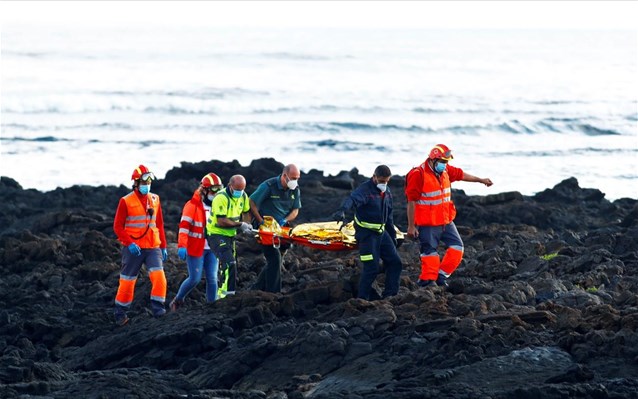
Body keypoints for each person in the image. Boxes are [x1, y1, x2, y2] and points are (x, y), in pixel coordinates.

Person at [405, 144, 493, 288]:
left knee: (457, 248)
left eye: (446, 162)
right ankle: (426, 282)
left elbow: (461, 174)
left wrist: (480, 180)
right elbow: (411, 201)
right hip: (428, 223)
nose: (445, 165)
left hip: (446, 221)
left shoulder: (445, 170)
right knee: (429, 253)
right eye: (442, 162)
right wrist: (411, 226)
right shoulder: (418, 174)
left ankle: (440, 276)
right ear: (433, 160)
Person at [332, 165, 403, 300]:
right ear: (374, 177)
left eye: (386, 181)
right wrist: (342, 210)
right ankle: (362, 299)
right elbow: (351, 199)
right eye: (381, 181)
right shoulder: (365, 190)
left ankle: (390, 295)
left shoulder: (387, 192)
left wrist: (392, 237)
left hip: (382, 234)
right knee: (371, 268)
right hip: (366, 236)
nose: (383, 184)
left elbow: (389, 217)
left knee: (395, 263)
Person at [112, 165, 168, 325]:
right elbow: (117, 226)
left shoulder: (155, 199)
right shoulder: (126, 201)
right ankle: (120, 313)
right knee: (127, 281)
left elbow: (160, 224)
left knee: (159, 278)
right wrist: (129, 243)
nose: (147, 185)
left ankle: (159, 309)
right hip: (134, 249)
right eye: (144, 182)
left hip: (152, 247)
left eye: (149, 181)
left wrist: (163, 246)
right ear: (136, 183)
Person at [170, 173, 224, 311]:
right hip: (196, 249)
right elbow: (184, 227)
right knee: (194, 279)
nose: (216, 193)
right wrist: (182, 246)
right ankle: (178, 299)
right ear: (204, 190)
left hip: (212, 249)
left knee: (213, 279)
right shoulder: (192, 205)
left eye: (219, 189)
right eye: (213, 190)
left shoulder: (219, 206)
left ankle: (212, 307)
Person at [249, 164, 302, 293]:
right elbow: (251, 202)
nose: (295, 181)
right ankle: (274, 292)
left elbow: (295, 210)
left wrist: (285, 220)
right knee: (274, 258)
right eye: (293, 178)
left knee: (278, 258)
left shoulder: (295, 189)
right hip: (266, 227)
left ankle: (257, 287)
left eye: (298, 178)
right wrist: (261, 222)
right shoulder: (268, 186)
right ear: (284, 176)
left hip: (282, 227)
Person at [206, 174, 252, 298]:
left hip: (230, 236)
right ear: (230, 186)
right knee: (229, 263)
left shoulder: (243, 196)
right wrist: (240, 224)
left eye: (242, 190)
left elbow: (246, 212)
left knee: (232, 264)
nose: (239, 193)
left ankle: (226, 293)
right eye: (237, 190)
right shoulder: (220, 197)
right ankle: (226, 296)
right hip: (216, 234)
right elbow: (221, 221)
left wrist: (247, 224)